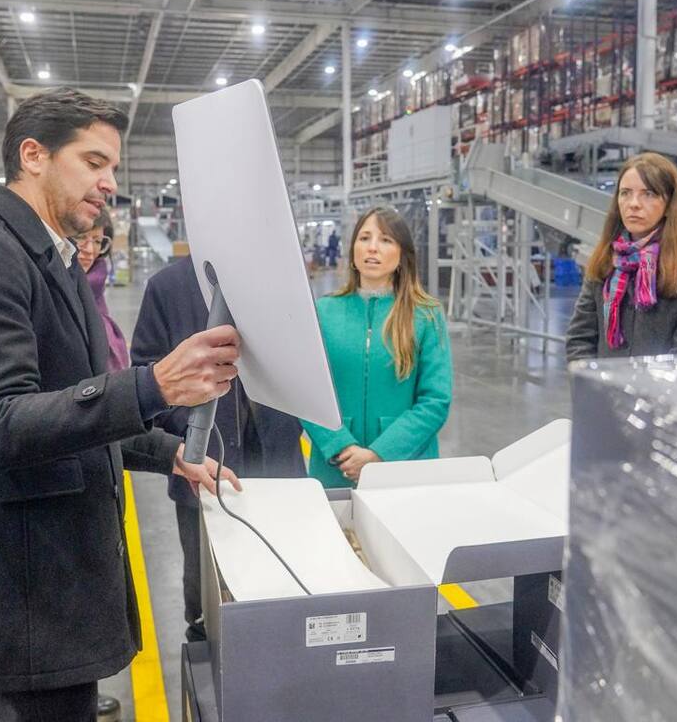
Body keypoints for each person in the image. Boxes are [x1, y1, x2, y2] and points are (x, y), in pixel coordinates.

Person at [0, 87, 242, 722]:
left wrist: (170, 452)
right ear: (33, 155)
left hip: (60, 582)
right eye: (94, 162)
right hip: (25, 593)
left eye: (112, 166)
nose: (109, 182)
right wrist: (153, 386)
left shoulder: (52, 260)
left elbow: (71, 402)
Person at [131, 255, 305, 642]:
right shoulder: (168, 286)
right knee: (206, 595)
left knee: (283, 585)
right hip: (202, 469)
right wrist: (190, 435)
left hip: (278, 462)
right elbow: (146, 374)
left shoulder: (281, 281)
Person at [300, 206, 452, 487]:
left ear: (402, 254)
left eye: (385, 240)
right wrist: (340, 446)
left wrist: (380, 453)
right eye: (364, 238)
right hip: (337, 467)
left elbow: (435, 400)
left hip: (405, 465)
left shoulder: (426, 315)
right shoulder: (323, 312)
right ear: (353, 250)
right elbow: (307, 391)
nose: (372, 247)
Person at [565, 152, 677, 361]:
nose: (634, 204)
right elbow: (579, 339)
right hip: (603, 381)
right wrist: (590, 379)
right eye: (625, 193)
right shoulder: (606, 257)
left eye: (648, 194)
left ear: (670, 204)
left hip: (666, 382)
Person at [75, 209, 129, 372]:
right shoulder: (50, 287)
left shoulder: (96, 292)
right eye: (81, 237)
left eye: (98, 241)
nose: (90, 250)